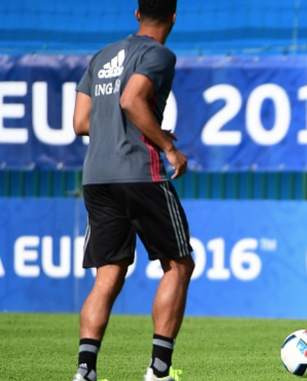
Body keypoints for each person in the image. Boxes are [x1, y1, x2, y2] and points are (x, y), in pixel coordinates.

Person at [71, 1, 194, 380]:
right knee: (179, 264)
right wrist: (167, 146)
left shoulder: (103, 55)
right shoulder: (159, 54)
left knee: (108, 274)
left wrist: (118, 127)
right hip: (140, 172)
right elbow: (131, 99)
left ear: (137, 14)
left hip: (97, 176)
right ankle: (158, 371)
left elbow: (80, 123)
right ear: (173, 17)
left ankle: (85, 371)